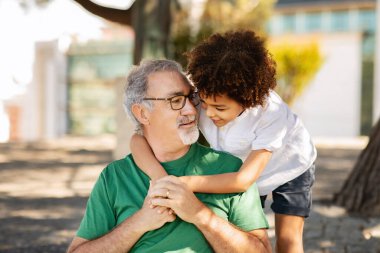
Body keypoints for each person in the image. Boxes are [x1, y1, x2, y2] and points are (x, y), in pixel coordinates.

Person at [131, 30, 317, 253]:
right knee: (237, 235)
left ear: (248, 101)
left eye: (220, 108)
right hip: (238, 167)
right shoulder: (203, 88)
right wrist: (163, 179)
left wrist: (183, 183)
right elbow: (137, 140)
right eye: (204, 103)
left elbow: (242, 181)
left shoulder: (270, 115)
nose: (207, 113)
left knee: (287, 240)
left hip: (289, 167)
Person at [66, 59, 272, 253]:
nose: (191, 110)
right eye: (175, 101)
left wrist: (200, 215)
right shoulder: (115, 177)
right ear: (142, 113)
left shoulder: (229, 168)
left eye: (191, 97)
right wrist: (139, 223)